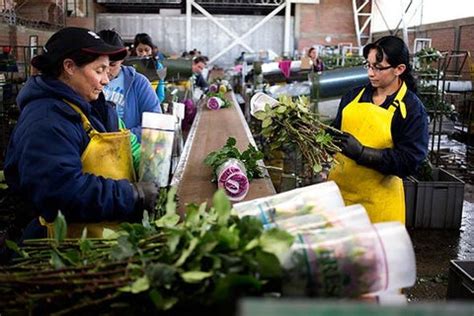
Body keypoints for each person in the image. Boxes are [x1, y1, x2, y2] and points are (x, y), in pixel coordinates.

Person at [4, 27, 159, 240]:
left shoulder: (94, 107)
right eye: (99, 70)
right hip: (69, 251)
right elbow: (60, 192)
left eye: (108, 70)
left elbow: (126, 147)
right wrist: (133, 195)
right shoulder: (46, 120)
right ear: (69, 67)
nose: (106, 80)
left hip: (106, 241)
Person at [328, 35, 429, 224]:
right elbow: (335, 133)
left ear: (399, 69)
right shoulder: (352, 97)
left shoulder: (411, 109)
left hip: (377, 208)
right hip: (339, 198)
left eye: (378, 67)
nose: (371, 73)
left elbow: (409, 161)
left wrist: (363, 153)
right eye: (368, 65)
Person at [98, 29, 162, 147]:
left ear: (122, 59)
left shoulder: (139, 83)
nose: (107, 71)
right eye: (100, 67)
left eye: (112, 64)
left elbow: (154, 121)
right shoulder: (87, 83)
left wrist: (121, 138)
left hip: (130, 151)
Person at [131, 33, 166, 102]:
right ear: (135, 50)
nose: (144, 54)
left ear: (151, 50)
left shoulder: (159, 67)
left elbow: (161, 94)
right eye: (140, 51)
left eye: (147, 50)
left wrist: (153, 106)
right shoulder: (131, 67)